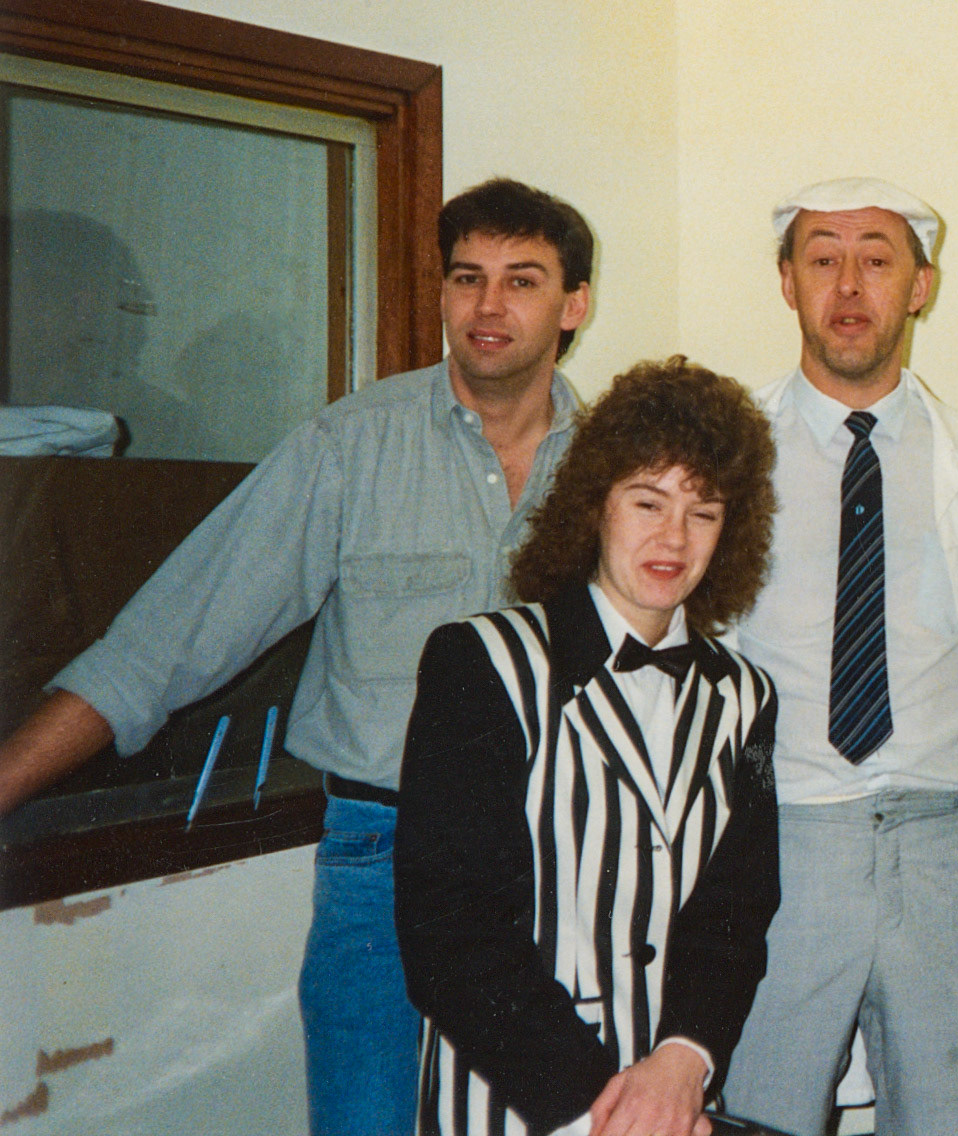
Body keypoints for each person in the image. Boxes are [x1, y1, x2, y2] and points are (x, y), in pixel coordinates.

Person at [0, 177, 594, 1135]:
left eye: (521, 280)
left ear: (573, 306)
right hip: (383, 864)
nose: (488, 306)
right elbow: (164, 645)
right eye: (466, 277)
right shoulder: (347, 448)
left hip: (563, 866)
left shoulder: (623, 470)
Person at [718, 177, 958, 1136]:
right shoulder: (726, 450)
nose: (848, 284)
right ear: (785, 282)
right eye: (822, 259)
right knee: (750, 1113)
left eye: (877, 259)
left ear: (921, 286)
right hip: (784, 842)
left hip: (950, 843)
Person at [394, 356, 780, 1136]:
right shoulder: (483, 663)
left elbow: (732, 917)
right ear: (593, 505)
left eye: (703, 512)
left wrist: (680, 1064)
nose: (673, 536)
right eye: (647, 501)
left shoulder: (746, 697)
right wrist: (596, 1108)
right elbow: (451, 931)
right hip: (518, 1104)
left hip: (672, 1105)